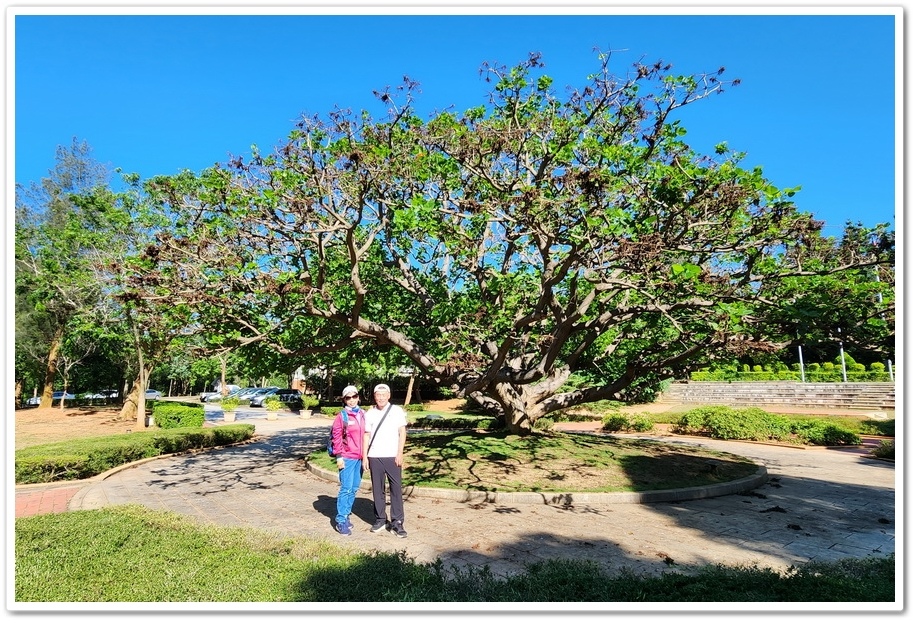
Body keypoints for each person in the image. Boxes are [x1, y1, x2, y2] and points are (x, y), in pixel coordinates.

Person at [362, 383, 409, 538]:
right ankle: (380, 519)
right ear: (374, 396)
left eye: (384, 395)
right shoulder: (370, 413)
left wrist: (400, 453)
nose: (381, 397)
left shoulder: (397, 411)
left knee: (396, 489)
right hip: (375, 456)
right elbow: (366, 435)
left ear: (388, 395)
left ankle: (397, 522)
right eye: (378, 395)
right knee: (377, 489)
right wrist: (365, 457)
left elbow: (402, 432)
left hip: (392, 456)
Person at [330, 385, 366, 536]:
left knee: (355, 487)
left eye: (354, 396)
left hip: (360, 457)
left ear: (358, 397)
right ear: (344, 400)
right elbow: (336, 437)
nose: (352, 400)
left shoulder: (363, 414)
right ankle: (341, 520)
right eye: (348, 398)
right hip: (347, 457)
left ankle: (346, 514)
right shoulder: (342, 416)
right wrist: (339, 457)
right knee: (346, 488)